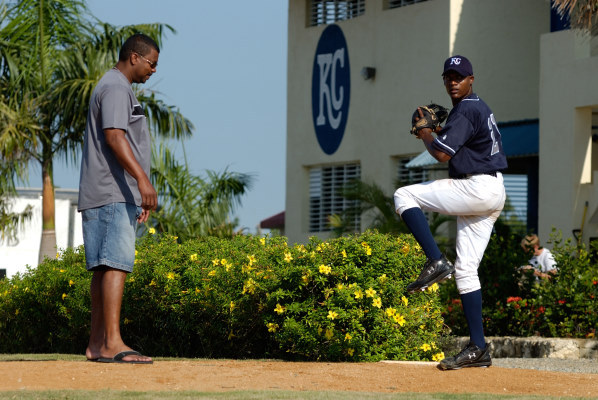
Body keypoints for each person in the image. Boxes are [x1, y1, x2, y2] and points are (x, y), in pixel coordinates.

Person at [394, 55, 507, 370]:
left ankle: (435, 260)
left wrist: (428, 134)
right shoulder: (474, 108)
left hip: (477, 188)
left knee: (404, 195)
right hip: (490, 191)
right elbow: (456, 142)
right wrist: (437, 130)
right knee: (467, 271)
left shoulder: (468, 108)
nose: (453, 81)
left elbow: (442, 153)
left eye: (459, 76)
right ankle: (478, 348)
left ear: (472, 79)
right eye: (449, 77)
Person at [78, 33, 159, 364]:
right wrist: (142, 181)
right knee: (115, 264)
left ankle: (97, 344)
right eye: (152, 64)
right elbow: (114, 135)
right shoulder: (116, 87)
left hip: (103, 191)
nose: (153, 71)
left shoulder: (110, 85)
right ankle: (112, 342)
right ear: (135, 57)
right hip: (113, 191)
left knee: (103, 266)